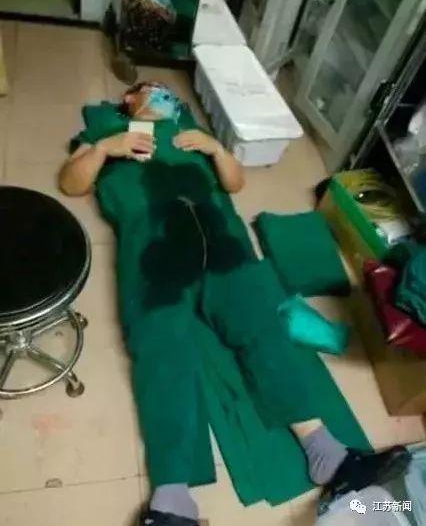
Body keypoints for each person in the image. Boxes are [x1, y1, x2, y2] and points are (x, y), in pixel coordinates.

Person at [60, 82, 410, 526]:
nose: (165, 95)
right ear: (130, 100)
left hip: (223, 243)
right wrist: (106, 148)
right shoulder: (107, 132)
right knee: (162, 349)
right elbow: (71, 182)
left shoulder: (191, 135)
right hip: (155, 246)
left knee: (264, 329)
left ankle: (330, 457)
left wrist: (216, 150)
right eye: (153, 90)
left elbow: (234, 183)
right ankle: (171, 501)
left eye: (168, 92)